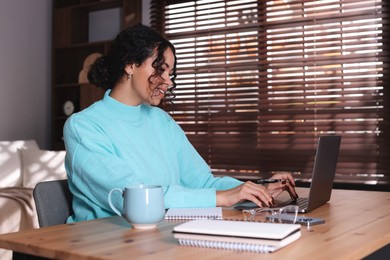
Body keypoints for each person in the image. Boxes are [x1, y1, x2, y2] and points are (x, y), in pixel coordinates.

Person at [63, 23, 298, 223]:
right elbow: (134, 198)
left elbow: (202, 181)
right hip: (103, 243)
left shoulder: (160, 120)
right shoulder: (84, 126)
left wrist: (254, 190)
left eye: (170, 74)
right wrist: (225, 197)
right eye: (161, 70)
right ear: (130, 64)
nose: (168, 82)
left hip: (161, 234)